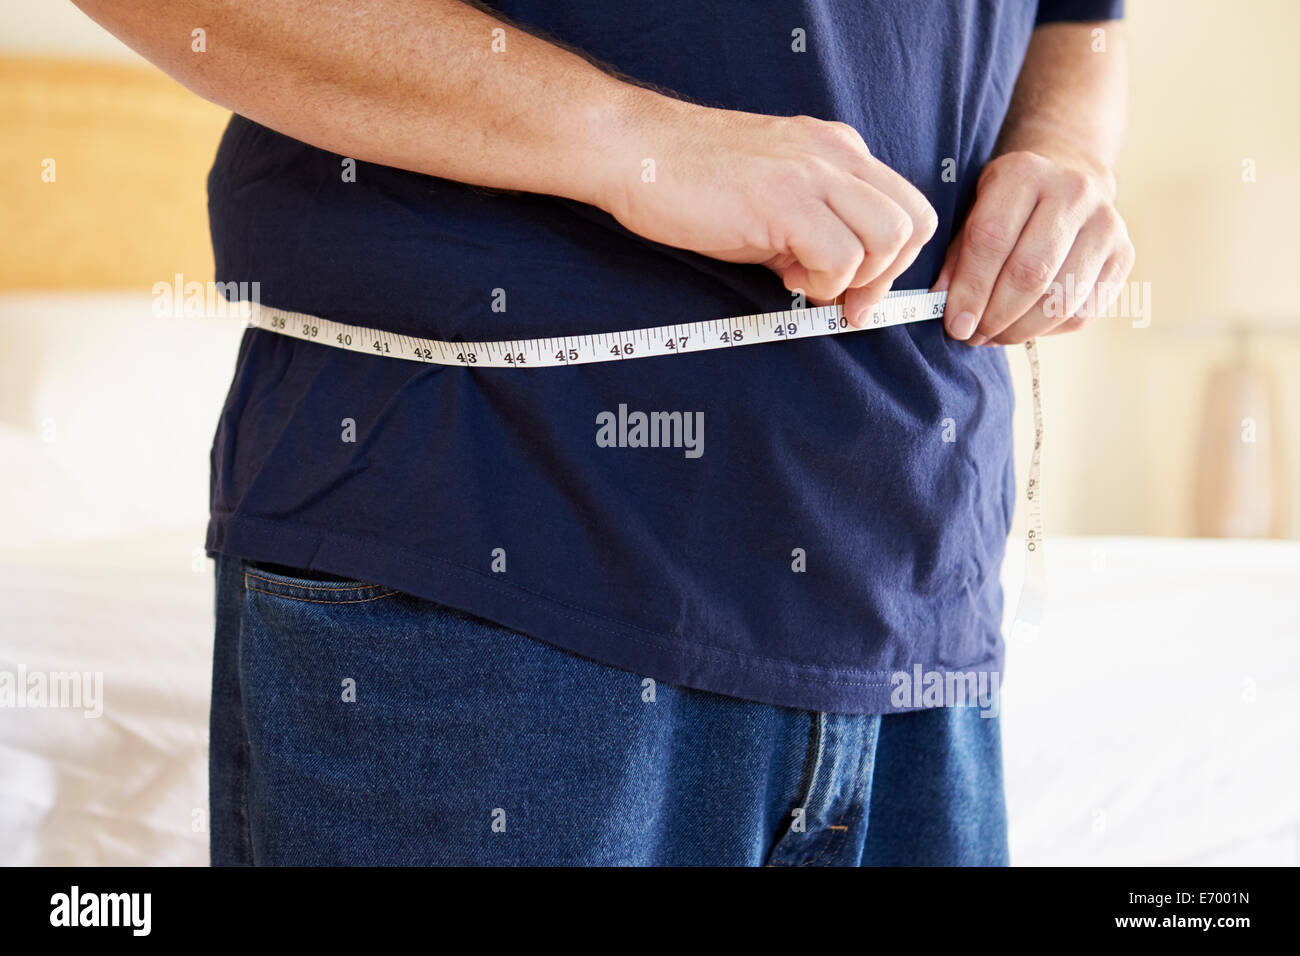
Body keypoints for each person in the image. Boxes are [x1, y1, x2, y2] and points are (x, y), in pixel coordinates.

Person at [75, 0, 1133, 865]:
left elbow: (1078, 22)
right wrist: (632, 139)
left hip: (917, 598)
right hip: (484, 562)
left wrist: (1066, 151)